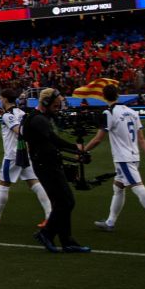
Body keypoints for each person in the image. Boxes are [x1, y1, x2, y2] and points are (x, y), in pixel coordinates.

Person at [86, 85, 145, 238]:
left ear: (104, 97)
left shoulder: (109, 112)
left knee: (139, 189)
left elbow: (98, 138)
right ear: (118, 95)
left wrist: (84, 150)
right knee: (118, 187)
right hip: (134, 156)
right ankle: (110, 222)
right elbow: (141, 139)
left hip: (123, 159)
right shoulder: (132, 112)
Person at [22, 89, 90, 253]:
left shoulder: (41, 118)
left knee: (64, 202)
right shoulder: (38, 119)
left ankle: (65, 240)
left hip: (50, 163)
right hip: (46, 166)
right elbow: (53, 140)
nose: (57, 108)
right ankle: (48, 234)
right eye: (55, 105)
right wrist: (76, 148)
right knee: (65, 202)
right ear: (46, 103)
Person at [0, 89, 52, 226]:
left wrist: (6, 117)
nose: (0, 100)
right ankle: (50, 215)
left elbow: (19, 130)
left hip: (12, 155)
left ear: (6, 99)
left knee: (4, 184)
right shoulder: (22, 113)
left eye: (1, 98)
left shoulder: (9, 116)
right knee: (34, 182)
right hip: (25, 153)